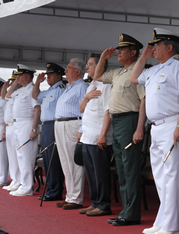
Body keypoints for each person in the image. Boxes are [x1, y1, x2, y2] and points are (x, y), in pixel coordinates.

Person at [129, 28, 179, 234]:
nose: (153, 49)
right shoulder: (153, 70)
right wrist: (143, 57)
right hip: (156, 127)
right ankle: (162, 221)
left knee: (172, 176)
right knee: (160, 177)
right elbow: (133, 78)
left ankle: (172, 226)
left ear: (169, 47)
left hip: (173, 124)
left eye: (156, 45)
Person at [93, 33, 146, 226]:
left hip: (129, 121)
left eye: (122, 49)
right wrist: (102, 59)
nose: (118, 52)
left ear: (133, 52)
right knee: (122, 170)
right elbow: (97, 76)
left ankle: (131, 214)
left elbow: (143, 101)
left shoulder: (137, 71)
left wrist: (140, 128)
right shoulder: (118, 72)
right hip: (117, 122)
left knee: (130, 170)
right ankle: (125, 211)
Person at [78, 53, 113, 216]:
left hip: (98, 136)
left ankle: (104, 204)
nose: (87, 67)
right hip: (87, 136)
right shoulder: (90, 85)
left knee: (100, 172)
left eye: (90, 64)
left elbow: (108, 111)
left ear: (100, 66)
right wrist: (86, 96)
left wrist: (103, 134)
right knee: (91, 173)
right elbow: (81, 108)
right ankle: (95, 202)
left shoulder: (106, 85)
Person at [54, 58, 88, 210]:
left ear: (78, 71)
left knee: (74, 162)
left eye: (68, 68)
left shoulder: (82, 87)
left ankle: (76, 198)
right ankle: (70, 195)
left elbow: (85, 110)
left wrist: (81, 129)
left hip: (72, 123)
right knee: (65, 162)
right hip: (61, 124)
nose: (65, 71)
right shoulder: (68, 87)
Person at [32, 62, 66, 201]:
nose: (48, 77)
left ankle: (55, 191)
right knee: (47, 158)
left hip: (54, 125)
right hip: (45, 126)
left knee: (54, 159)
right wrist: (37, 82)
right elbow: (35, 95)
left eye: (51, 74)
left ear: (59, 75)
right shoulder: (48, 91)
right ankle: (51, 188)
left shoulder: (61, 89)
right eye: (47, 75)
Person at [6, 64, 41, 196]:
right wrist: (15, 82)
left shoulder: (32, 90)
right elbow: (8, 95)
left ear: (27, 76)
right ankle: (22, 183)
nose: (18, 78)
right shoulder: (21, 90)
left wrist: (34, 129)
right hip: (17, 125)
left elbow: (37, 110)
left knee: (26, 156)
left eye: (20, 76)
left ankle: (27, 187)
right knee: (20, 155)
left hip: (27, 123)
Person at [1, 71, 22, 192]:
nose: (13, 83)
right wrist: (5, 86)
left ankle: (18, 180)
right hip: (9, 126)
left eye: (16, 80)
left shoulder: (18, 94)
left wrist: (14, 84)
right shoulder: (11, 95)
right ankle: (15, 179)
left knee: (16, 155)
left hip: (16, 125)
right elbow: (4, 96)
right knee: (11, 156)